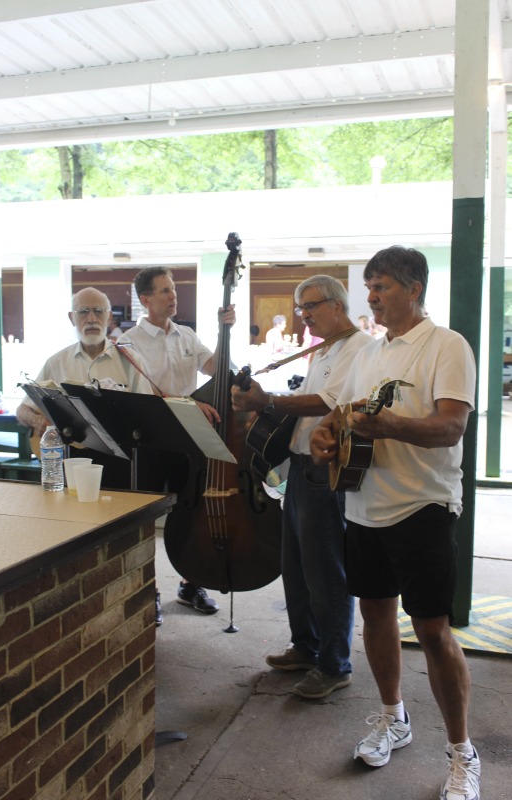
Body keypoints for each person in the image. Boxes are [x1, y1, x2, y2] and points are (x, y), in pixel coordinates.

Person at [309, 247, 480, 800]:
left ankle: (462, 755)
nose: (372, 297)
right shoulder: (369, 352)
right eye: (369, 287)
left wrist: (392, 427)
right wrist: (325, 437)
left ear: (414, 288)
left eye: (381, 286)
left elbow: (451, 427)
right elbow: (341, 416)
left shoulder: (446, 346)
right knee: (374, 615)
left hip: (422, 505)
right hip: (362, 504)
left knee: (433, 631)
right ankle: (393, 720)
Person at [231, 275, 370, 699]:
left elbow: (329, 403)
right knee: (296, 565)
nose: (303, 315)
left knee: (325, 569)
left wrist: (266, 402)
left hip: (322, 472)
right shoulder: (324, 348)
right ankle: (306, 647)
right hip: (300, 469)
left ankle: (333, 665)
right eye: (299, 307)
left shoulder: (360, 349)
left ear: (337, 305)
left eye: (309, 306)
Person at [117, 266, 236, 616]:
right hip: (151, 443)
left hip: (191, 440)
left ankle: (191, 584)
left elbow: (216, 367)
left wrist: (223, 333)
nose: (174, 296)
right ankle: (147, 589)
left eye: (173, 290)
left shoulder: (186, 335)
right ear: (145, 300)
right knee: (146, 519)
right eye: (165, 291)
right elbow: (147, 391)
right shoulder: (128, 342)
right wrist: (189, 403)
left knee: (194, 514)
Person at [16, 287, 153, 442]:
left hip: (121, 455)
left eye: (98, 311)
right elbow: (23, 409)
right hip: (71, 455)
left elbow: (149, 415)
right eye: (83, 312)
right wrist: (37, 421)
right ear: (71, 318)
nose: (91, 319)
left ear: (109, 317)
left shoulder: (130, 361)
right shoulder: (56, 362)